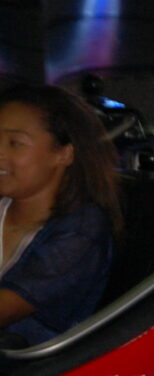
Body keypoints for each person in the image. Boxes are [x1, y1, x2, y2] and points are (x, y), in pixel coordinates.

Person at [0, 82, 120, 350]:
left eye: (15, 143)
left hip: (26, 370)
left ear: (64, 154)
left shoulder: (82, 231)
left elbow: (8, 308)